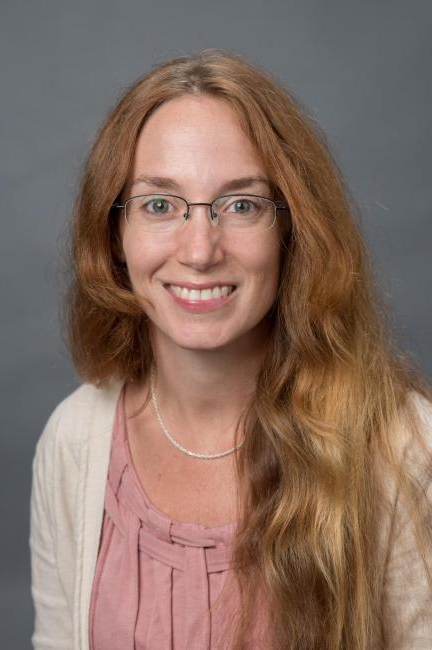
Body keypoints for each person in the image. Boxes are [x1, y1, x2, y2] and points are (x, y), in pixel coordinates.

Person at [29, 49, 432, 650]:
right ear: (114, 234)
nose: (199, 249)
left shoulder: (404, 446)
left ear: (293, 229)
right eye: (159, 205)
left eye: (240, 205)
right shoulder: (72, 441)